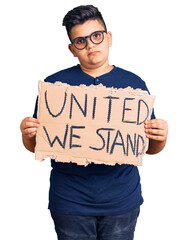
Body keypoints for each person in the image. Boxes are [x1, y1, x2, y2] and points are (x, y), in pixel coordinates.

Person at [20, 5, 168, 240]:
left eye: (96, 36)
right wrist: (27, 134)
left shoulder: (134, 85)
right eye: (80, 41)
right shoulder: (54, 86)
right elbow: (38, 144)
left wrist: (161, 136)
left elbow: (149, 149)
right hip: (70, 202)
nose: (90, 45)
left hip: (121, 201)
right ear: (72, 48)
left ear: (109, 38)